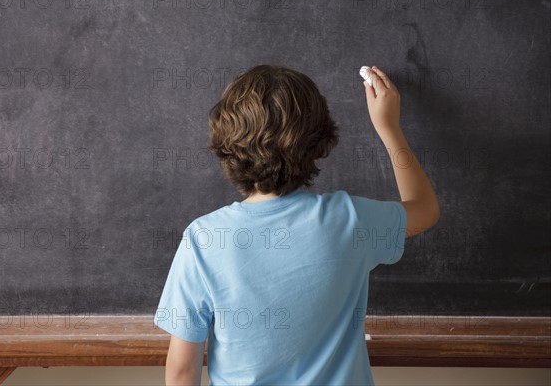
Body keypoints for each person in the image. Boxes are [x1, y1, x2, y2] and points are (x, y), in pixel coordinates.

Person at [154, 65, 439, 385]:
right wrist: (389, 127)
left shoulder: (204, 239)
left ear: (226, 145)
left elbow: (181, 371)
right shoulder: (351, 220)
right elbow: (425, 209)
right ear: (318, 142)